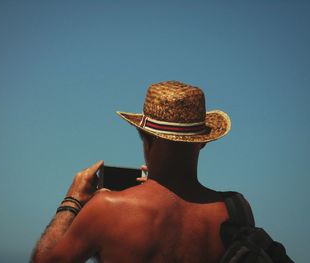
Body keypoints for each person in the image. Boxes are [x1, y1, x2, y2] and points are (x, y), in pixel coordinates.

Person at [31, 80, 233, 263]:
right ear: (204, 142)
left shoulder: (106, 210)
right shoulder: (235, 211)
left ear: (147, 139)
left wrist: (71, 202)